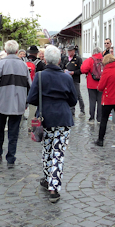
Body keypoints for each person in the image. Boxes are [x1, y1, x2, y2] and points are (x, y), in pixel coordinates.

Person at [26, 45, 77, 203]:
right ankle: (54, 188)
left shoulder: (40, 76)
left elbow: (31, 99)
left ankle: (48, 178)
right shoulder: (67, 78)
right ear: (60, 60)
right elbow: (73, 100)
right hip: (62, 118)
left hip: (45, 118)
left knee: (47, 149)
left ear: (45, 59)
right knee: (58, 153)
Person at [0, 40, 31, 168]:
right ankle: (11, 158)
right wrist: (26, 101)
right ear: (17, 51)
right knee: (14, 131)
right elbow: (30, 85)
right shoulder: (23, 66)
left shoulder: (0, 64)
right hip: (18, 103)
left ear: (5, 51)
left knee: (0, 128)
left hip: (2, 102)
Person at [81, 46, 104, 123]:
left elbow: (83, 70)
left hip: (91, 84)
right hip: (101, 83)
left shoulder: (90, 60)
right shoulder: (103, 60)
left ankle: (91, 118)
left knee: (92, 101)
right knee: (100, 101)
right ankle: (99, 118)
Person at [60, 45, 85, 116]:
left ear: (74, 51)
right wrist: (64, 71)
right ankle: (71, 110)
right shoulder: (65, 59)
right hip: (67, 79)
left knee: (77, 94)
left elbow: (81, 70)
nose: (69, 52)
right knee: (68, 94)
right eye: (68, 51)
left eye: (70, 51)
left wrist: (74, 72)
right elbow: (62, 67)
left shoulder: (78, 59)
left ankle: (82, 110)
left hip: (75, 79)